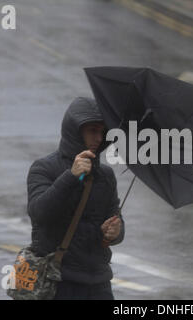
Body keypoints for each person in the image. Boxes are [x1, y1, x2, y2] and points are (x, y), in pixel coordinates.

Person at [26, 97, 124, 300]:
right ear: (75, 131)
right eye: (92, 131)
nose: (98, 138)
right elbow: (39, 214)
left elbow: (115, 220)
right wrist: (71, 176)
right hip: (59, 282)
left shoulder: (105, 176)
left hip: (99, 283)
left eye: (102, 131)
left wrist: (115, 232)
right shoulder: (44, 168)